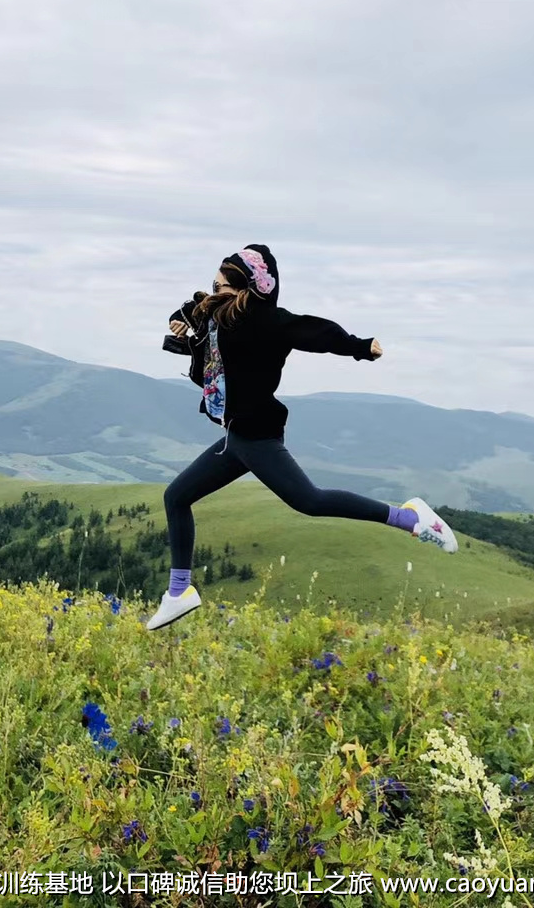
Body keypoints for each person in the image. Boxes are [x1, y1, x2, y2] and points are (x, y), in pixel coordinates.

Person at [146, 244, 458, 631]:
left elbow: (314, 330)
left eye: (221, 284)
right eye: (213, 283)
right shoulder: (216, 318)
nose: (212, 290)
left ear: (247, 289)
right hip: (234, 439)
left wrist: (359, 347)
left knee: (311, 501)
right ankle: (179, 593)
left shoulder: (266, 322)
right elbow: (193, 322)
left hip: (257, 438)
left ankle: (409, 518)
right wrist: (184, 329)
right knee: (176, 496)